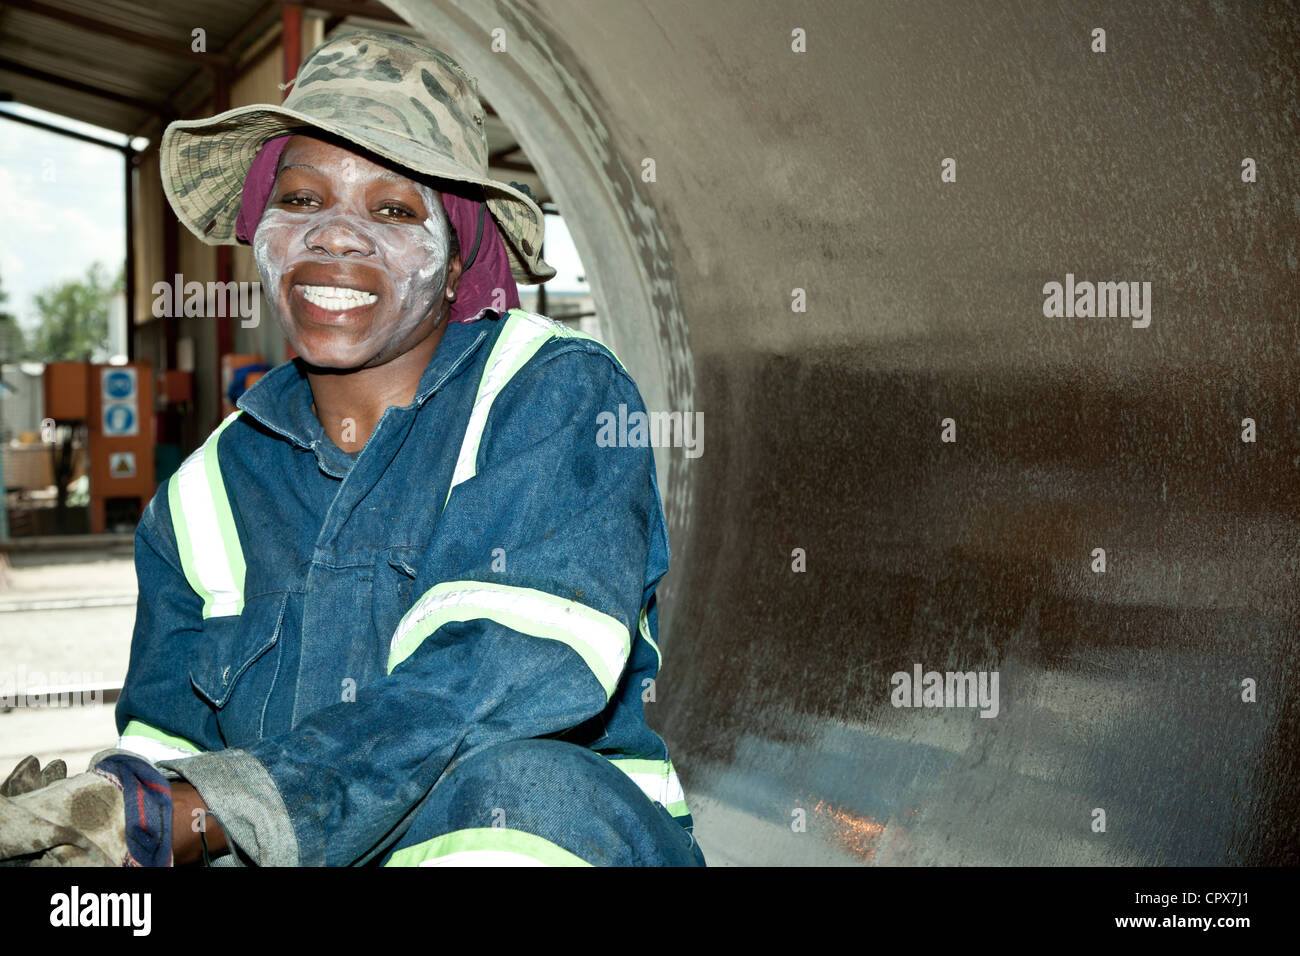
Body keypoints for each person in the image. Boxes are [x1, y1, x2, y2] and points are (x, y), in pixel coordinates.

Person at [0, 29, 703, 868]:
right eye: (300, 201)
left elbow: (496, 678)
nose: (335, 236)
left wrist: (222, 807)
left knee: (521, 790)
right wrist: (115, 813)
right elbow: (170, 752)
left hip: (546, 841)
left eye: (393, 210)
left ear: (454, 265)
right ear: (261, 236)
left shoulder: (552, 397)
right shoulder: (199, 500)